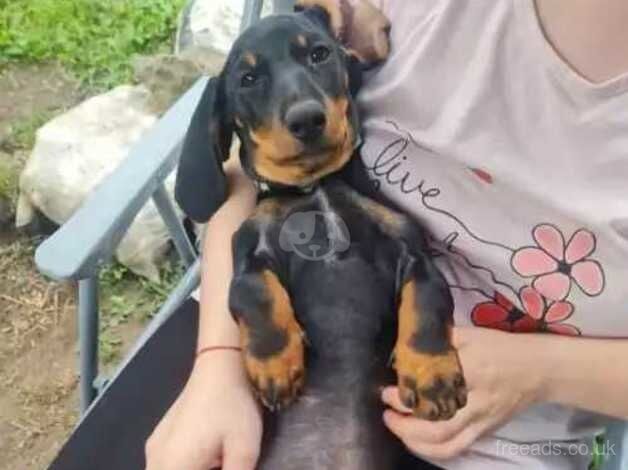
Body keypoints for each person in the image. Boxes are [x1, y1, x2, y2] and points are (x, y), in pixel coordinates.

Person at [145, 0, 628, 468]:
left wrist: (541, 371)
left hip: (487, 437)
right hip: (251, 360)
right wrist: (218, 362)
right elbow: (244, 173)